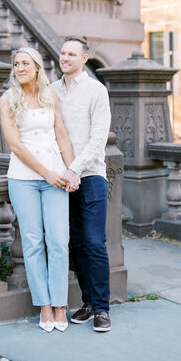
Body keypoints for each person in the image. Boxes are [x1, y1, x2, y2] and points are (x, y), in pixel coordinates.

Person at [0, 47, 77, 333]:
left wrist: (71, 170)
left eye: (25, 63)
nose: (19, 68)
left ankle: (60, 304)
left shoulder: (49, 96)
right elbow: (16, 145)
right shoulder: (7, 99)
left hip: (56, 176)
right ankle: (44, 305)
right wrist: (48, 174)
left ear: (36, 68)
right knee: (32, 243)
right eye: (16, 64)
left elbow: (61, 135)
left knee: (58, 241)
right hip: (23, 179)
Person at [51, 36, 112, 332]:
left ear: (84, 58)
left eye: (72, 54)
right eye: (63, 53)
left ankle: (102, 308)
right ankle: (87, 302)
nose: (66, 58)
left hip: (90, 177)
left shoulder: (96, 91)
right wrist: (61, 172)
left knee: (94, 242)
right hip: (61, 179)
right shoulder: (50, 91)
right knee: (75, 242)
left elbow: (98, 139)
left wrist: (74, 169)